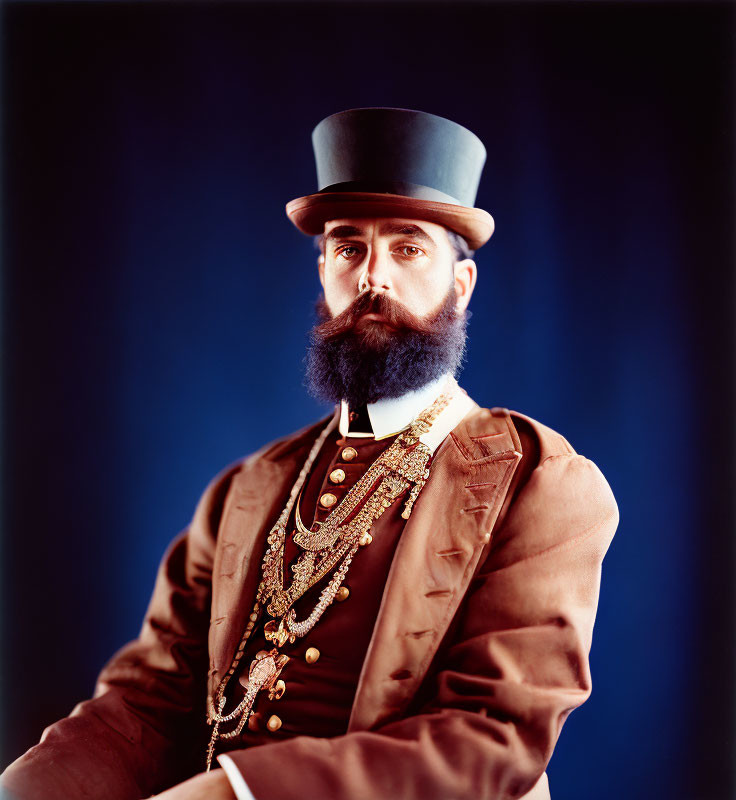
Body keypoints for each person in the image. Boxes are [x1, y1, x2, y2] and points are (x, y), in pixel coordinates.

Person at [0, 107, 619, 800]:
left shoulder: (540, 482)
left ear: (461, 285)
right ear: (323, 271)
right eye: (349, 248)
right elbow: (146, 705)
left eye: (408, 248)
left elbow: (492, 738)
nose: (372, 277)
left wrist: (233, 791)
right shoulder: (251, 487)